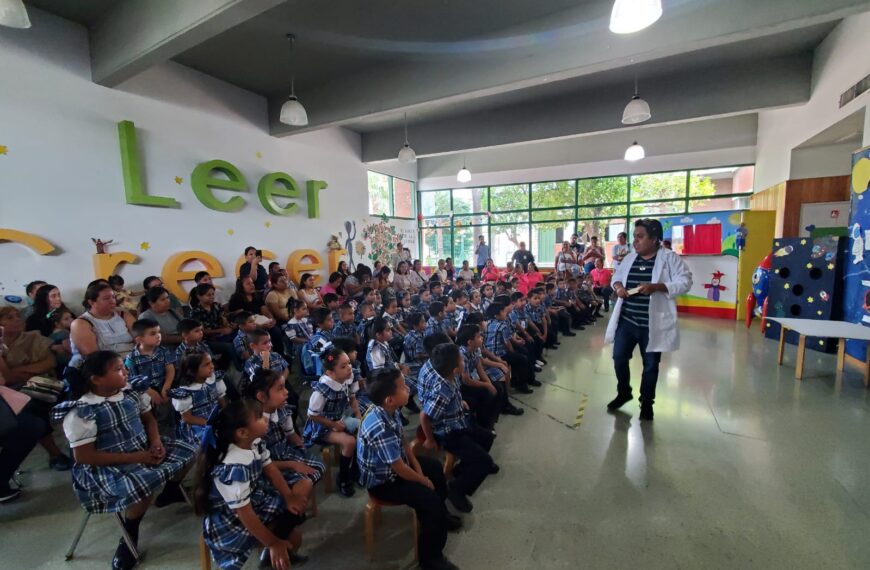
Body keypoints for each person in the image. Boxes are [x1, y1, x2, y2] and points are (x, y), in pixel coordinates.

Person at [52, 351, 197, 569]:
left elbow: (148, 419)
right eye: (119, 369)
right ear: (96, 379)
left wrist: (155, 442)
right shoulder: (83, 411)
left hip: (141, 448)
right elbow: (84, 456)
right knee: (142, 485)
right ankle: (130, 530)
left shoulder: (129, 392)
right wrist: (137, 457)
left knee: (191, 449)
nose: (126, 372)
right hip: (104, 465)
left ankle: (171, 489)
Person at [357, 367, 462, 570]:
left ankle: (440, 516)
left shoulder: (390, 410)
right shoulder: (379, 425)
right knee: (429, 499)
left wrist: (417, 466)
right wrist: (422, 480)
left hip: (397, 467)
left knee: (433, 467)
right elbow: (397, 468)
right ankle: (430, 558)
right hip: (383, 482)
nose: (408, 389)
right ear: (390, 399)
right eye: (404, 387)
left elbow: (403, 441)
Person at [195, 400, 307, 570]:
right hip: (232, 521)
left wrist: (289, 496)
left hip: (253, 501)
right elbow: (244, 513)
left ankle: (272, 558)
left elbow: (270, 470)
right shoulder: (233, 469)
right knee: (291, 536)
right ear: (242, 432)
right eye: (260, 417)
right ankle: (272, 556)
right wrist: (273, 543)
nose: (266, 419)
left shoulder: (253, 442)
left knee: (296, 509)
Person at [605, 218, 693, 421]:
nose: (634, 241)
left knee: (651, 365)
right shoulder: (629, 258)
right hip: (628, 320)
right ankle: (624, 392)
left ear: (654, 239)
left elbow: (685, 281)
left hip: (652, 324)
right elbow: (616, 276)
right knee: (619, 358)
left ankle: (646, 402)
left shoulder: (669, 258)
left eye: (640, 237)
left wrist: (657, 287)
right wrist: (618, 287)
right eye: (634, 237)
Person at [419, 343, 497, 514]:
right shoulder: (443, 389)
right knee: (484, 462)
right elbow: (424, 416)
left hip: (458, 420)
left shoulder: (448, 376)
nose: (463, 361)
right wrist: (430, 439)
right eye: (461, 360)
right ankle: (456, 489)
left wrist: (459, 401)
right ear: (455, 368)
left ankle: (463, 469)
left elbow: (450, 398)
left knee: (487, 438)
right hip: (448, 432)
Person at [0, 306, 73, 470]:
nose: (17, 319)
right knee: (31, 406)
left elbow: (49, 363)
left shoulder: (33, 338)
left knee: (40, 399)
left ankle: (67, 450)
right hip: (9, 393)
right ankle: (54, 454)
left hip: (43, 384)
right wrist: (23, 372)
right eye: (9, 317)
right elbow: (7, 378)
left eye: (17, 315)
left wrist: (19, 370)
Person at [244, 369, 324, 490]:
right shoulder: (255, 425)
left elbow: (292, 435)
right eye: (280, 388)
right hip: (268, 465)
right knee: (303, 485)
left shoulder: (281, 409)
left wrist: (302, 449)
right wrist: (293, 465)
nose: (287, 392)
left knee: (319, 467)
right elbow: (262, 464)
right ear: (262, 396)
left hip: (285, 453)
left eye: (285, 387)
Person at [301, 346, 360, 497]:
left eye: (349, 363)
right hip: (321, 427)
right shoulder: (322, 391)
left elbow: (352, 396)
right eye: (343, 366)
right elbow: (312, 415)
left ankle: (354, 469)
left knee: (362, 429)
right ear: (330, 373)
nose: (349, 368)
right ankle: (343, 478)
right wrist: (333, 425)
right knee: (350, 442)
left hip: (339, 419)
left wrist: (358, 414)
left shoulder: (345, 379)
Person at [70, 281, 136, 368]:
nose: (113, 301)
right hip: (105, 367)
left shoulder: (124, 315)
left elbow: (141, 339)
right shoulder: (81, 323)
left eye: (113, 297)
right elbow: (94, 357)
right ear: (91, 302)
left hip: (132, 361)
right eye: (106, 298)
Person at [170, 352, 227, 445]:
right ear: (192, 370)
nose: (212, 366)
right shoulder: (186, 392)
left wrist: (225, 415)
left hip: (215, 418)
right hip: (198, 425)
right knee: (208, 443)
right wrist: (208, 424)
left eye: (211, 362)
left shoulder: (213, 380)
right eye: (206, 365)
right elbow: (187, 418)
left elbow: (221, 400)